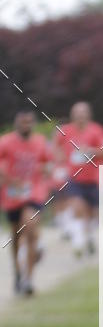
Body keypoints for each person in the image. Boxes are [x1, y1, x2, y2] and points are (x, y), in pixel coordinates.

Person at [0, 110, 52, 294]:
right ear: (16, 123)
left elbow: (47, 162)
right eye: (22, 122)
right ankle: (18, 272)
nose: (26, 126)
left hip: (34, 191)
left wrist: (45, 169)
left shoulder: (39, 142)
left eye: (29, 122)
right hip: (12, 194)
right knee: (16, 236)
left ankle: (28, 280)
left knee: (29, 224)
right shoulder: (5, 142)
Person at [56, 101, 103, 256]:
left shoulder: (97, 130)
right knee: (77, 206)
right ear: (72, 115)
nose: (80, 116)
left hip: (93, 179)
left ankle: (89, 237)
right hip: (74, 178)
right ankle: (78, 242)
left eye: (83, 112)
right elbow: (55, 147)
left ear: (88, 114)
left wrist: (91, 151)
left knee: (91, 213)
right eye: (77, 113)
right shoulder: (65, 131)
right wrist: (60, 161)